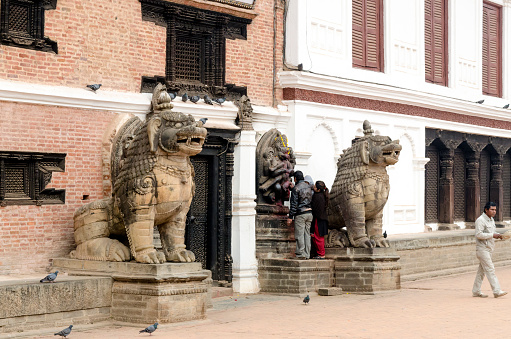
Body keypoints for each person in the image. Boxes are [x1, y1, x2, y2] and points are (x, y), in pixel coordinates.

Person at [472, 202, 507, 298]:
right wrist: (492, 235)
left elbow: (492, 233)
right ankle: (497, 291)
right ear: (486, 210)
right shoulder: (480, 220)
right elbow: (478, 235)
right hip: (482, 249)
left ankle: (476, 291)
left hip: (489, 249)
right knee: (490, 269)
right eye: (492, 209)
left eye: (495, 210)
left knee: (481, 272)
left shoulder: (491, 220)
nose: (494, 211)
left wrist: (499, 235)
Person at [287, 171, 313, 260]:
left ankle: (300, 254)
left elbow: (294, 204)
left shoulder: (296, 188)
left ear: (295, 179)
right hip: (309, 213)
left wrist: (290, 217)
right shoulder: (309, 187)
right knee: (307, 235)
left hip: (301, 214)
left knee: (299, 235)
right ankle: (307, 254)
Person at [311, 181, 329, 259]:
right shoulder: (323, 195)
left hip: (318, 219)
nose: (313, 187)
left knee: (318, 237)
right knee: (318, 237)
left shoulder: (317, 196)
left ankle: (321, 254)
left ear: (318, 189)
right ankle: (320, 253)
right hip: (322, 219)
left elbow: (315, 210)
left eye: (315, 187)